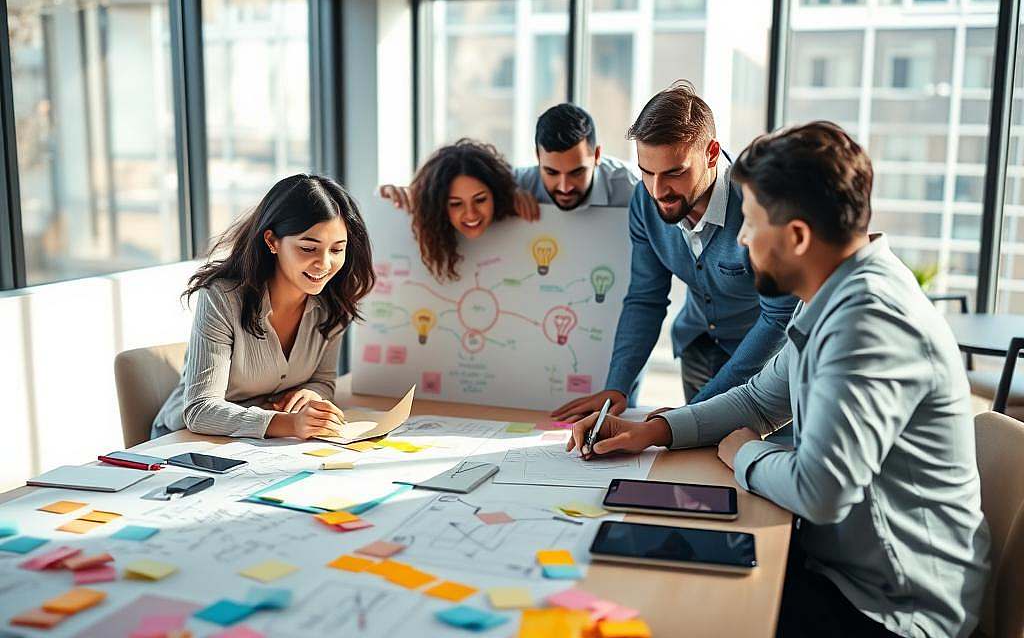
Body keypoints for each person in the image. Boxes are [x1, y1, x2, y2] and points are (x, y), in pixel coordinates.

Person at [568, 121, 991, 638]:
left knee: (676, 616)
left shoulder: (869, 322)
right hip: (841, 569)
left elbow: (819, 492)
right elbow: (760, 399)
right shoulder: (833, 292)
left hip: (894, 609)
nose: (741, 239)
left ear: (796, 237)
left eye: (749, 222)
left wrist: (744, 452)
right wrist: (655, 429)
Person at [553, 81, 797, 422]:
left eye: (675, 172)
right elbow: (645, 298)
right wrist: (617, 387)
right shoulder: (645, 200)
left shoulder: (757, 204)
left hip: (766, 364)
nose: (658, 190)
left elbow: (779, 317)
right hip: (697, 349)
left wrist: (694, 414)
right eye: (647, 172)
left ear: (711, 153)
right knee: (693, 468)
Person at [152, 174, 376, 439]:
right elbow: (200, 410)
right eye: (308, 248)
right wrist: (291, 424)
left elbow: (323, 380)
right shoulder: (221, 297)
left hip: (264, 446)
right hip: (187, 441)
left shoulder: (333, 302)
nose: (325, 264)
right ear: (272, 241)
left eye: (337, 250)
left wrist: (312, 395)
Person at [380, 102, 639, 220]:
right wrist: (411, 194)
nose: (563, 186)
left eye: (576, 172)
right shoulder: (519, 182)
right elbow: (463, 192)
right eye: (550, 172)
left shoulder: (631, 188)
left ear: (596, 156)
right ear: (537, 158)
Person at [406, 138, 519, 281]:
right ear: (438, 206)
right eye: (456, 204)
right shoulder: (427, 219)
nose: (471, 214)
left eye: (480, 200)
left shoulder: (517, 208)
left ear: (496, 194)